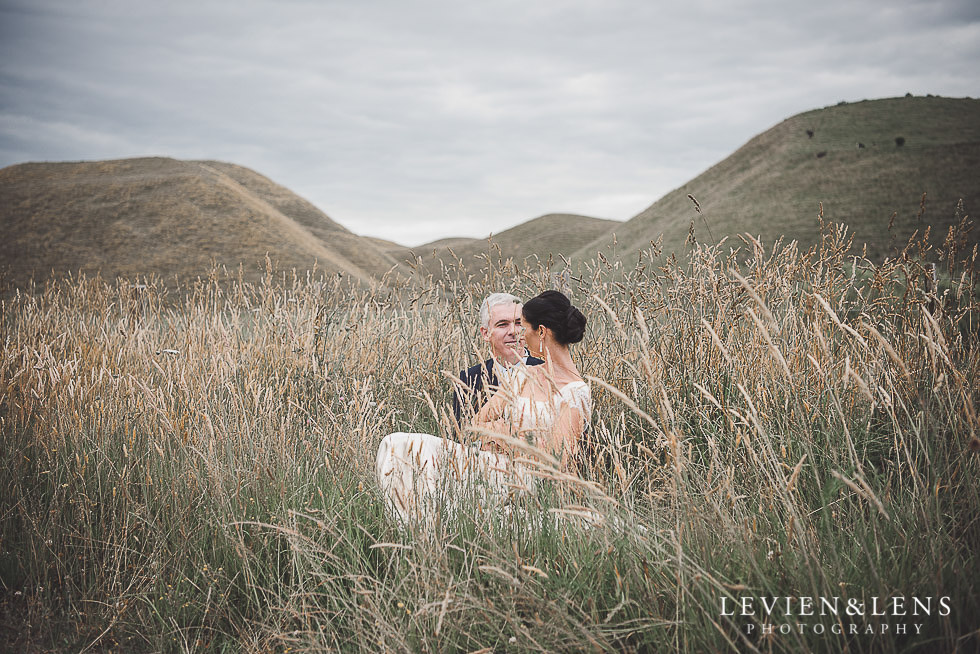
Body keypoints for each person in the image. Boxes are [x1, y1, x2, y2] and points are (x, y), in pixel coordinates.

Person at [376, 290, 590, 525]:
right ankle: (410, 527)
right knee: (399, 444)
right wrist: (522, 439)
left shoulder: (576, 393)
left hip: (523, 480)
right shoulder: (524, 374)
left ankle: (425, 527)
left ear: (541, 332)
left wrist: (504, 433)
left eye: (524, 327)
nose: (519, 335)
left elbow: (552, 461)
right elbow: (475, 425)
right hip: (491, 465)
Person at [451, 292, 544, 428]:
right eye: (502, 324)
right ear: (486, 333)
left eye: (519, 323)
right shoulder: (468, 379)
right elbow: (460, 436)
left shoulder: (546, 370)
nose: (513, 331)